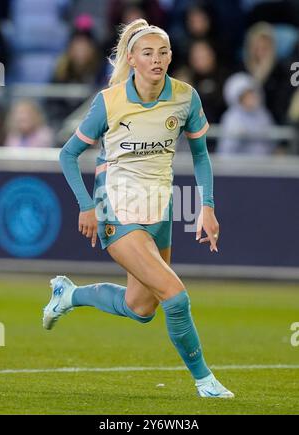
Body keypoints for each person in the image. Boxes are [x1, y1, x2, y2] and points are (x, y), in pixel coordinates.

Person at [42, 18, 234, 399]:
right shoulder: (110, 101)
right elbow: (68, 154)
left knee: (141, 308)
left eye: (163, 52)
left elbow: (200, 156)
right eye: (148, 53)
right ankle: (205, 381)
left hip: (159, 210)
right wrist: (86, 206)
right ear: (132, 59)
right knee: (175, 296)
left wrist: (207, 207)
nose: (157, 59)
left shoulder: (185, 96)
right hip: (116, 209)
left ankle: (69, 295)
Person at [217, 72, 276, 155]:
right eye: (245, 96)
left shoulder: (263, 115)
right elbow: (226, 150)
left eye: (251, 94)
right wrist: (239, 137)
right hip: (239, 165)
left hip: (263, 164)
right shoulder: (230, 118)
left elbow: (272, 142)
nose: (250, 99)